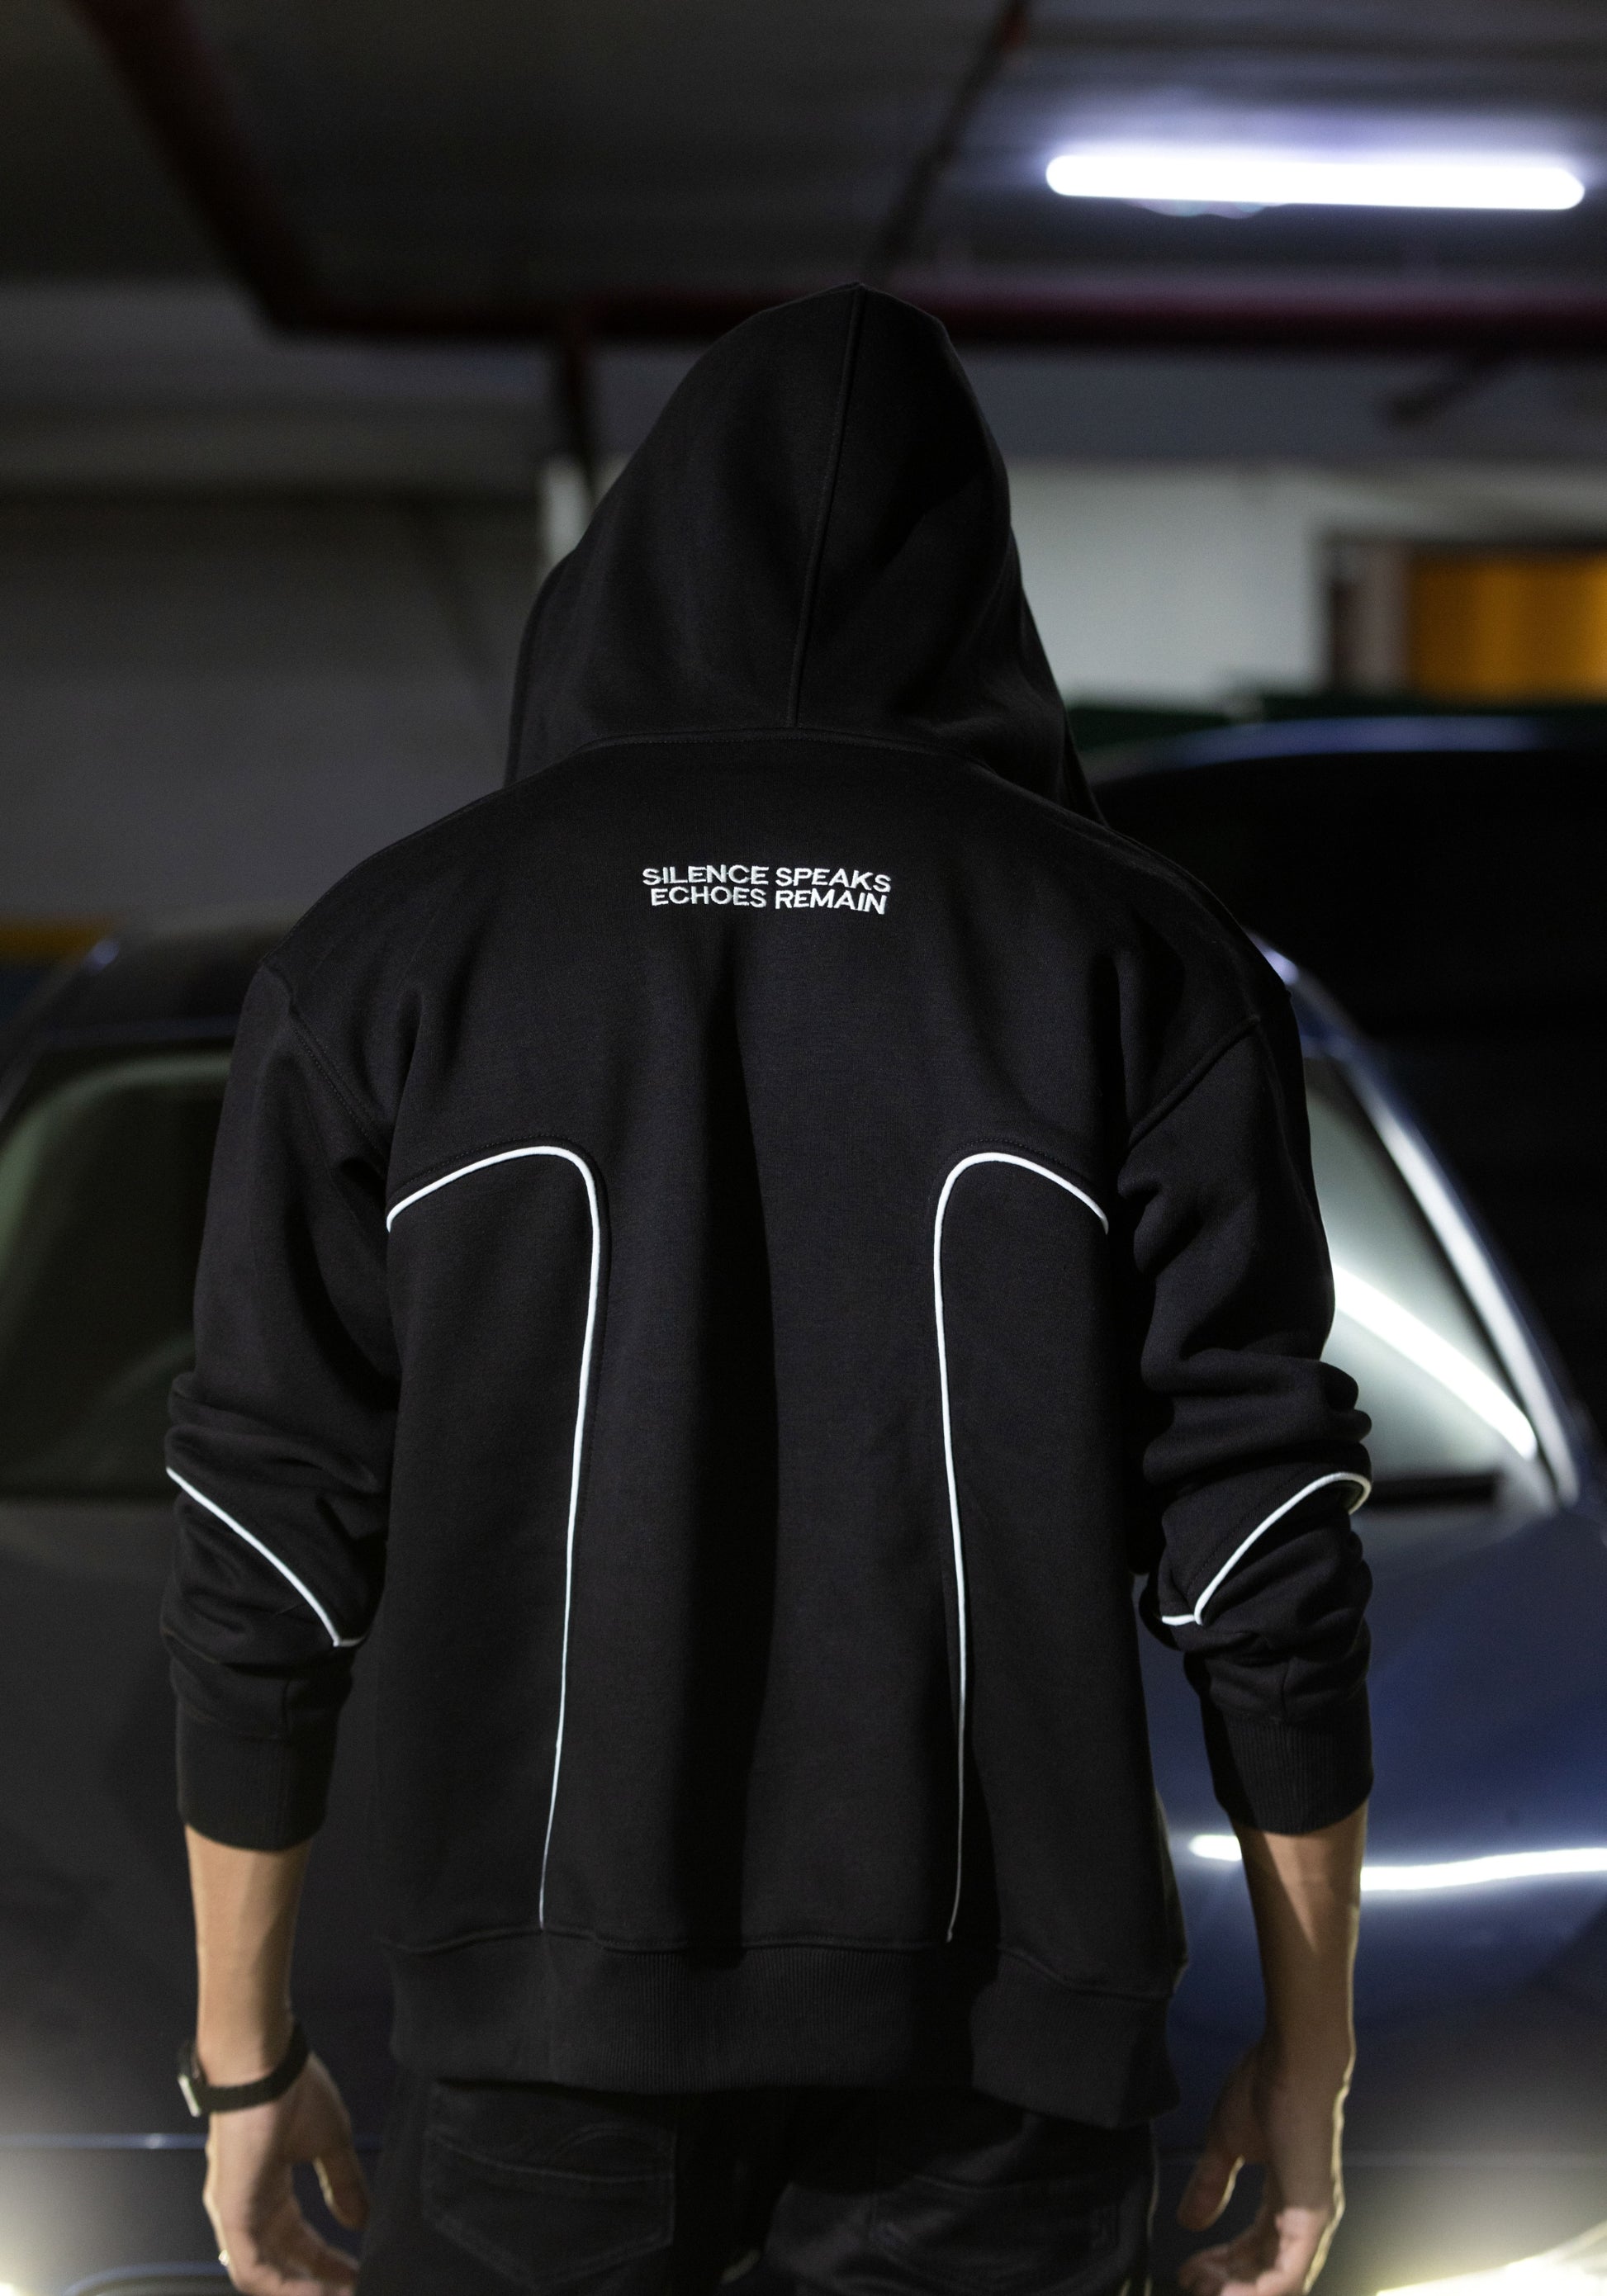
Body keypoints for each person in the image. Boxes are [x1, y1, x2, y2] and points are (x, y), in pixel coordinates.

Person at [163, 283, 1372, 2296]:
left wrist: (245, 2058)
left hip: (538, 2055)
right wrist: (1311, 2058)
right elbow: (1264, 1551)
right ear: (976, 582)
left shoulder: (392, 952)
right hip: (1002, 2071)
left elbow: (265, 1545)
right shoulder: (1139, 959)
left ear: (630, 558)